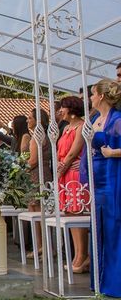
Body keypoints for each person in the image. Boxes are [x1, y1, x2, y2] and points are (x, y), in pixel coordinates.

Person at [85, 79, 121, 296]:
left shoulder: (117, 119)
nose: (90, 98)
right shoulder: (96, 118)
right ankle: (98, 280)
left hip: (111, 178)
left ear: (101, 96)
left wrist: (113, 153)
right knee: (97, 230)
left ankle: (114, 282)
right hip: (96, 179)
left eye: (92, 94)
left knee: (112, 227)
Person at [56, 95, 89, 272]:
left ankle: (83, 255)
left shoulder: (82, 126)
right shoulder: (66, 127)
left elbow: (73, 151)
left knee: (77, 212)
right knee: (69, 213)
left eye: (63, 107)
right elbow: (60, 150)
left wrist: (61, 168)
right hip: (65, 172)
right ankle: (77, 254)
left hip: (74, 173)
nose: (61, 110)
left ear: (72, 109)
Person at [25, 108, 52, 258]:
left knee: (38, 210)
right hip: (40, 172)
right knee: (35, 210)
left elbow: (33, 160)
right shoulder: (41, 135)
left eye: (30, 118)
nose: (28, 120)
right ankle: (40, 245)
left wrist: (20, 170)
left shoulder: (37, 136)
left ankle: (43, 245)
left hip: (37, 175)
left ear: (38, 120)